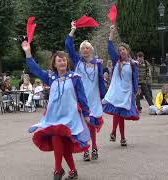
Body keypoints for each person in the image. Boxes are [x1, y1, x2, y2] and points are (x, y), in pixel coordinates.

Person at [22, 40, 90, 180]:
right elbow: (35, 69)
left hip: (70, 117)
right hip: (54, 117)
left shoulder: (75, 78)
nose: (62, 63)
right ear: (55, 64)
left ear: (67, 63)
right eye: (59, 61)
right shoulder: (50, 78)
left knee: (60, 141)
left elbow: (82, 97)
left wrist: (87, 114)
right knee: (59, 141)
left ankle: (58, 170)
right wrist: (28, 52)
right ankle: (70, 171)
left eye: (64, 60)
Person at [65, 21, 106, 161]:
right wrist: (73, 30)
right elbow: (68, 45)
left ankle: (94, 147)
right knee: (83, 124)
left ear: (91, 50)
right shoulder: (78, 61)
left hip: (93, 98)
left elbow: (100, 81)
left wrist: (104, 96)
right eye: (83, 48)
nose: (85, 50)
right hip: (80, 98)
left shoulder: (97, 64)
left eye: (87, 48)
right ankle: (85, 149)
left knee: (91, 124)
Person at [102, 25, 139, 146]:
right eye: (120, 50)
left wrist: (135, 90)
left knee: (120, 114)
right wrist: (111, 33)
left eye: (123, 49)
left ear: (127, 51)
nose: (121, 51)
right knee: (118, 113)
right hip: (116, 91)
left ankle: (115, 133)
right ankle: (121, 137)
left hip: (126, 92)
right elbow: (109, 47)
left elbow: (135, 78)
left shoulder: (133, 64)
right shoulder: (116, 61)